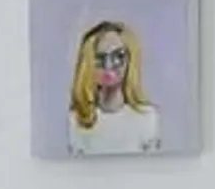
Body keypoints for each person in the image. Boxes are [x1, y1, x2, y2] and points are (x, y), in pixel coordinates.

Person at [64, 18, 164, 157]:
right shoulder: (77, 119)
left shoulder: (147, 117)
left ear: (130, 60)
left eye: (119, 56)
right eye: (99, 58)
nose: (108, 65)